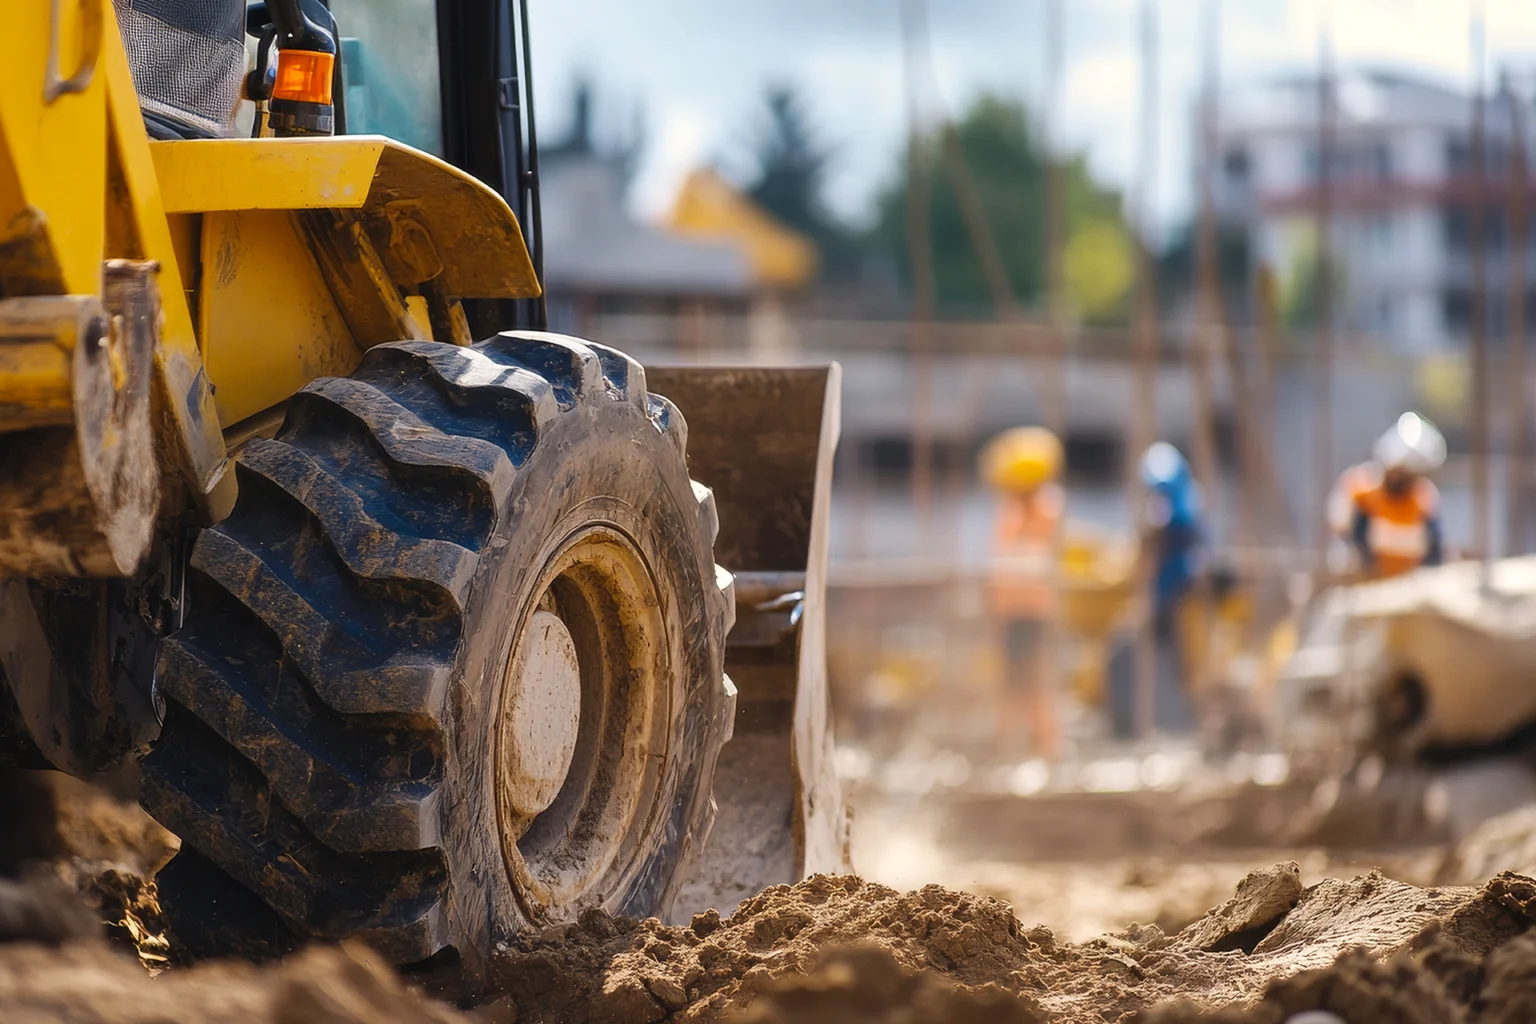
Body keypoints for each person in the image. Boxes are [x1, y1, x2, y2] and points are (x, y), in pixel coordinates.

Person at [980, 426, 1065, 760]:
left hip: (1032, 611)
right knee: (1010, 681)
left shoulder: (1044, 507)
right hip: (1011, 610)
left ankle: (1046, 744)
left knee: (1035, 680)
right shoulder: (1012, 509)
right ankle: (1010, 744)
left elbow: (1034, 551)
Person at [1327, 412, 1447, 579]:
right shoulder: (1362, 490)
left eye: (1409, 475)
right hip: (1365, 581)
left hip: (1408, 583)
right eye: (1400, 473)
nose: (1402, 481)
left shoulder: (1424, 499)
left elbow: (1435, 553)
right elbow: (1341, 534)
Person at [1138, 442, 1203, 732]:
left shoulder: (1167, 503)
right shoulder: (1190, 498)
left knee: (1173, 656)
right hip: (1184, 588)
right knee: (1182, 657)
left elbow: (1155, 538)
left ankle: (1175, 718)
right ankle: (1179, 716)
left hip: (1171, 591)